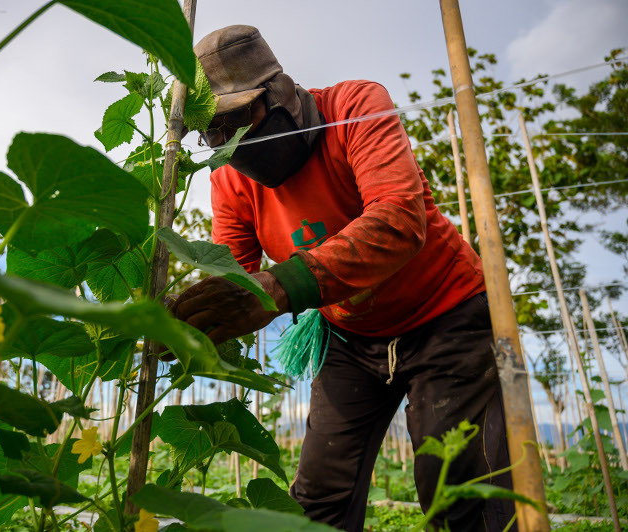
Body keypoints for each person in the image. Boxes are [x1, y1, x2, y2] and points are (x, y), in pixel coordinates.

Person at [170, 25, 515, 531]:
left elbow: (399, 220)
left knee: (455, 485)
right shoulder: (229, 179)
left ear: (280, 93)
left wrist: (284, 285)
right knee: (318, 498)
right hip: (352, 337)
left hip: (447, 314)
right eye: (212, 133)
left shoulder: (355, 107)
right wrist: (182, 322)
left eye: (239, 119)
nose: (229, 144)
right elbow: (232, 277)